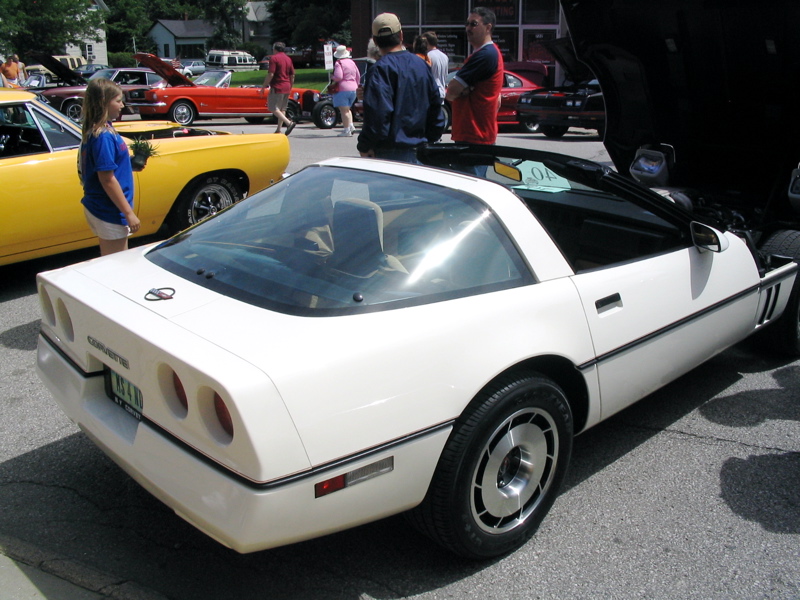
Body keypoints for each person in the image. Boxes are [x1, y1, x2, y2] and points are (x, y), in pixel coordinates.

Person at [357, 12, 445, 163]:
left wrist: (365, 145)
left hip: (390, 152)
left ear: (376, 42)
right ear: (401, 36)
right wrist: (430, 138)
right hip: (421, 150)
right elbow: (435, 107)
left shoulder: (380, 69)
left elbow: (378, 115)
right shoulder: (421, 65)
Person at [79, 78, 141, 256]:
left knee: (115, 259)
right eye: (118, 101)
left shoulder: (105, 129)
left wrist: (131, 164)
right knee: (116, 263)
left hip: (108, 208)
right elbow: (106, 179)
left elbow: (110, 166)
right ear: (104, 103)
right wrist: (129, 213)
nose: (122, 105)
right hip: (109, 210)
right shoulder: (103, 136)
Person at [445, 7, 504, 147]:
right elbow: (498, 101)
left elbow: (451, 92)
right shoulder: (485, 54)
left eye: (474, 24)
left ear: (488, 27)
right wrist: (463, 89)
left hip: (474, 136)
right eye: (467, 24)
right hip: (475, 135)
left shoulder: (486, 55)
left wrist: (460, 90)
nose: (468, 28)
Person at [260, 42, 296, 135]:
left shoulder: (274, 58)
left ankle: (289, 123)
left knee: (272, 107)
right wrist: (290, 85)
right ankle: (278, 129)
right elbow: (292, 75)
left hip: (277, 86)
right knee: (282, 108)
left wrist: (263, 86)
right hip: (287, 85)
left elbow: (271, 74)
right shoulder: (288, 59)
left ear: (275, 49)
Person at [331, 45, 360, 137]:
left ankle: (346, 130)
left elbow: (339, 77)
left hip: (343, 88)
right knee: (348, 109)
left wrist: (332, 77)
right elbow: (358, 75)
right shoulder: (352, 62)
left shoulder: (339, 63)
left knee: (343, 110)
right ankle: (351, 126)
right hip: (353, 88)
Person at [422, 31, 449, 101]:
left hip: (431, 93)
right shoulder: (444, 56)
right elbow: (446, 75)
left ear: (426, 42)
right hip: (442, 92)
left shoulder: (427, 56)